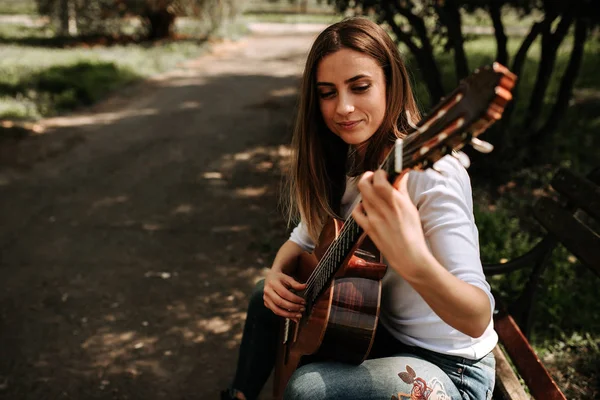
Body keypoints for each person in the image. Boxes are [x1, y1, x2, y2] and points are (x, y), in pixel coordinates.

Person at [221, 17, 497, 400]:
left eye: (360, 86)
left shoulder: (432, 174)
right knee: (263, 300)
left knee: (308, 390)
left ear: (390, 83)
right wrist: (275, 276)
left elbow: (476, 316)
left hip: (451, 371)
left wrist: (413, 259)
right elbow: (298, 242)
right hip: (382, 336)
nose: (343, 107)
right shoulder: (349, 161)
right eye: (327, 92)